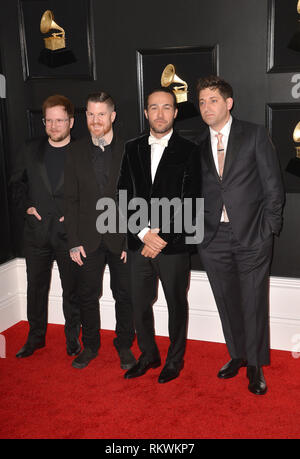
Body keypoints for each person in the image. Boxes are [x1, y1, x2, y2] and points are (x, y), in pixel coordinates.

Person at [195, 75, 285, 395]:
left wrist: (269, 228)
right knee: (226, 300)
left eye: (213, 100)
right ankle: (237, 355)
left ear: (228, 103)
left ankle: (256, 366)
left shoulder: (254, 135)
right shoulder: (196, 142)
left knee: (253, 301)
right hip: (212, 237)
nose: (207, 107)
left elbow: (273, 186)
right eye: (202, 101)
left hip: (252, 234)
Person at [117, 88, 200, 383]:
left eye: (167, 107)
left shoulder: (190, 150)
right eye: (154, 108)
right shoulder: (132, 147)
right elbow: (124, 195)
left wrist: (160, 237)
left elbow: (191, 200)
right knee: (139, 304)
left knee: (176, 304)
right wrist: (142, 234)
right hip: (140, 242)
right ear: (146, 112)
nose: (160, 114)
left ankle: (174, 360)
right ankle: (149, 354)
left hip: (173, 245)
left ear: (175, 113)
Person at [64, 92, 135, 370]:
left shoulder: (130, 149)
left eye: (101, 114)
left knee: (125, 295)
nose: (95, 120)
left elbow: (136, 198)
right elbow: (70, 200)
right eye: (90, 114)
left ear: (112, 116)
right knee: (87, 296)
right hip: (86, 240)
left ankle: (125, 346)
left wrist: (132, 240)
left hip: (121, 239)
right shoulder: (75, 150)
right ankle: (91, 345)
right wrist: (72, 241)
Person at [10, 94, 81, 358]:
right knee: (35, 287)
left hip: (69, 234)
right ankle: (35, 337)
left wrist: (76, 215)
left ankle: (72, 339)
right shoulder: (30, 149)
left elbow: (93, 191)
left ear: (71, 122)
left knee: (71, 290)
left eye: (60, 120)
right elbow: (16, 183)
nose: (54, 126)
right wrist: (27, 205)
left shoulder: (82, 151)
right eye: (49, 121)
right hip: (36, 233)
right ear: (44, 122)